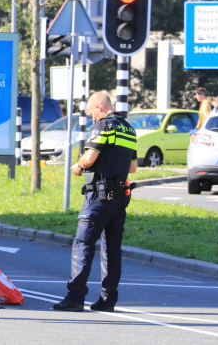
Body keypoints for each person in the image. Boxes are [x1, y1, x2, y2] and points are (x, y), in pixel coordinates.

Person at [53, 92, 137, 313]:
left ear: (99, 108)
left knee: (83, 243)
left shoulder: (104, 125)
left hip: (99, 196)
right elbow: (132, 167)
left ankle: (75, 296)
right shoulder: (129, 128)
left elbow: (90, 158)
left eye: (91, 113)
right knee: (111, 249)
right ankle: (108, 299)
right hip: (119, 197)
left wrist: (79, 166)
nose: (91, 118)